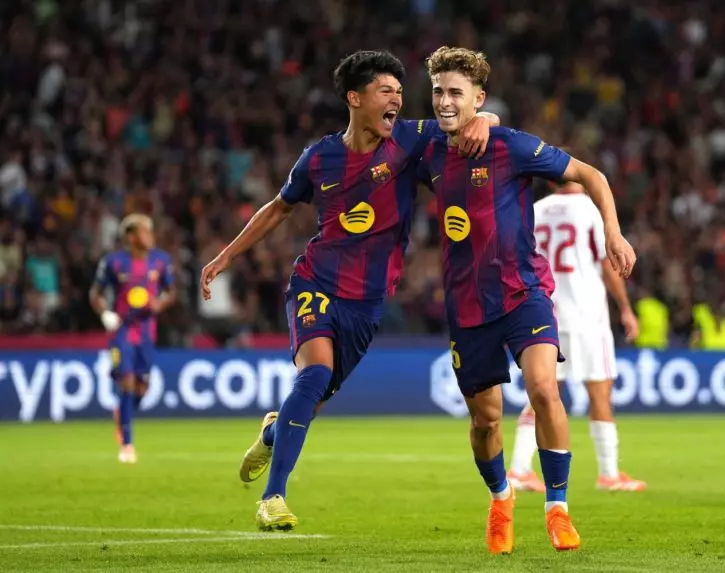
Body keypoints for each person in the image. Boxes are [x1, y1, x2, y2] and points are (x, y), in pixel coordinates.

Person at [199, 50, 499, 532]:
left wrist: (486, 117)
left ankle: (273, 433)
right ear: (355, 98)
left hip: (367, 303)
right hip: (316, 281)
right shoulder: (320, 157)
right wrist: (227, 255)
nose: (397, 99)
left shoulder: (408, 139)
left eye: (399, 92)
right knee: (314, 376)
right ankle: (273, 497)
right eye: (385, 91)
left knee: (312, 400)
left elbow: (464, 121)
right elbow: (278, 208)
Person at [418, 47, 635, 554]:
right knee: (486, 420)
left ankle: (558, 508)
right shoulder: (424, 147)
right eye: (438, 92)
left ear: (479, 98)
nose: (445, 101)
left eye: (456, 93)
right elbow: (376, 132)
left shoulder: (510, 145)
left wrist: (613, 232)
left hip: (525, 292)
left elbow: (593, 175)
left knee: (543, 387)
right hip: (468, 304)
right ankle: (500, 498)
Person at [508, 181, 647, 494]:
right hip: (586, 315)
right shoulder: (591, 210)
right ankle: (609, 474)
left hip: (545, 312)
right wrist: (626, 308)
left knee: (543, 393)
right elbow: (607, 262)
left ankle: (519, 469)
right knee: (600, 392)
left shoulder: (535, 210)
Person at [89, 214, 176, 464]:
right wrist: (105, 314)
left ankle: (122, 413)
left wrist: (160, 303)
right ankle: (127, 444)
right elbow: (95, 293)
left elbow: (171, 292)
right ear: (131, 236)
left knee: (141, 388)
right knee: (126, 380)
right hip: (122, 331)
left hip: (147, 331)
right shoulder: (113, 262)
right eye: (145, 231)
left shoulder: (161, 261)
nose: (150, 235)